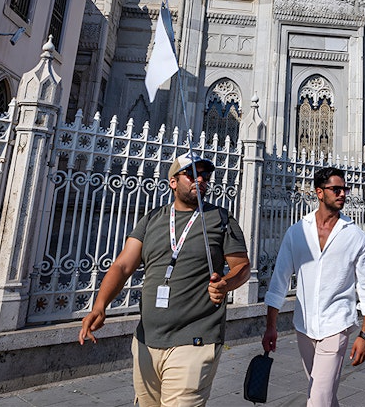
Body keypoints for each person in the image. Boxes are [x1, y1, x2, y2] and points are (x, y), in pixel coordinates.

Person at [78, 153, 251, 407]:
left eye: (205, 175)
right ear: (173, 182)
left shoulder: (220, 219)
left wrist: (226, 283)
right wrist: (100, 305)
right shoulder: (152, 220)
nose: (200, 180)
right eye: (192, 174)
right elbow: (123, 265)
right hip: (147, 341)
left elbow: (242, 266)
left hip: (196, 340)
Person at [262, 166, 365, 406]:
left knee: (317, 400)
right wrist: (270, 326)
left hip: (336, 326)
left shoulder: (355, 235)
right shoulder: (297, 232)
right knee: (323, 393)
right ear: (319, 192)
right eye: (336, 189)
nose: (343, 194)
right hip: (304, 327)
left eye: (344, 189)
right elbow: (279, 281)